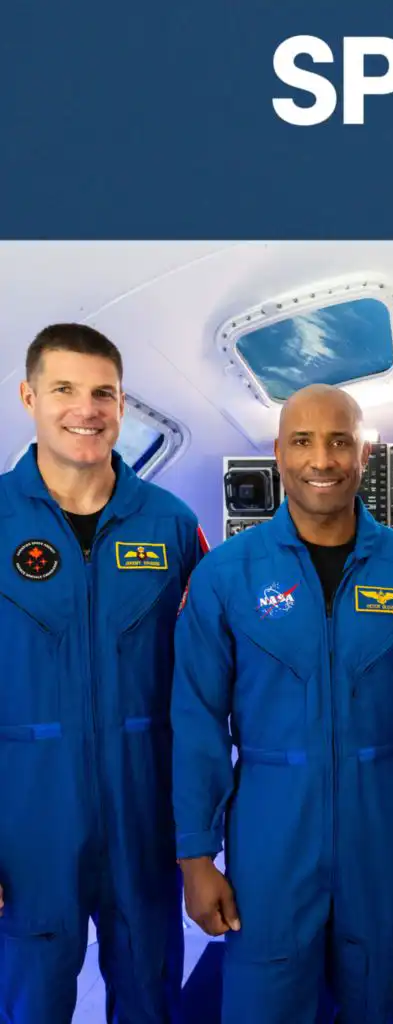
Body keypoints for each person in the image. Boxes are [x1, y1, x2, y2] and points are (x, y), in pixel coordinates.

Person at [171, 383, 393, 1024]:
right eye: (303, 441)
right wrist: (195, 855)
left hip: (379, 831)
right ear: (279, 453)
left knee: (377, 999)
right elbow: (196, 723)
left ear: (365, 454)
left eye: (339, 442)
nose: (322, 460)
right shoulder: (226, 575)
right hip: (270, 835)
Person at [0, 324, 208, 1023]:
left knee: (150, 1000)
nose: (85, 410)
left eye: (103, 394)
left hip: (144, 821)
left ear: (121, 405)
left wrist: (199, 836)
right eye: (64, 389)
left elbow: (208, 686)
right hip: (26, 827)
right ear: (29, 397)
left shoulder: (172, 527)